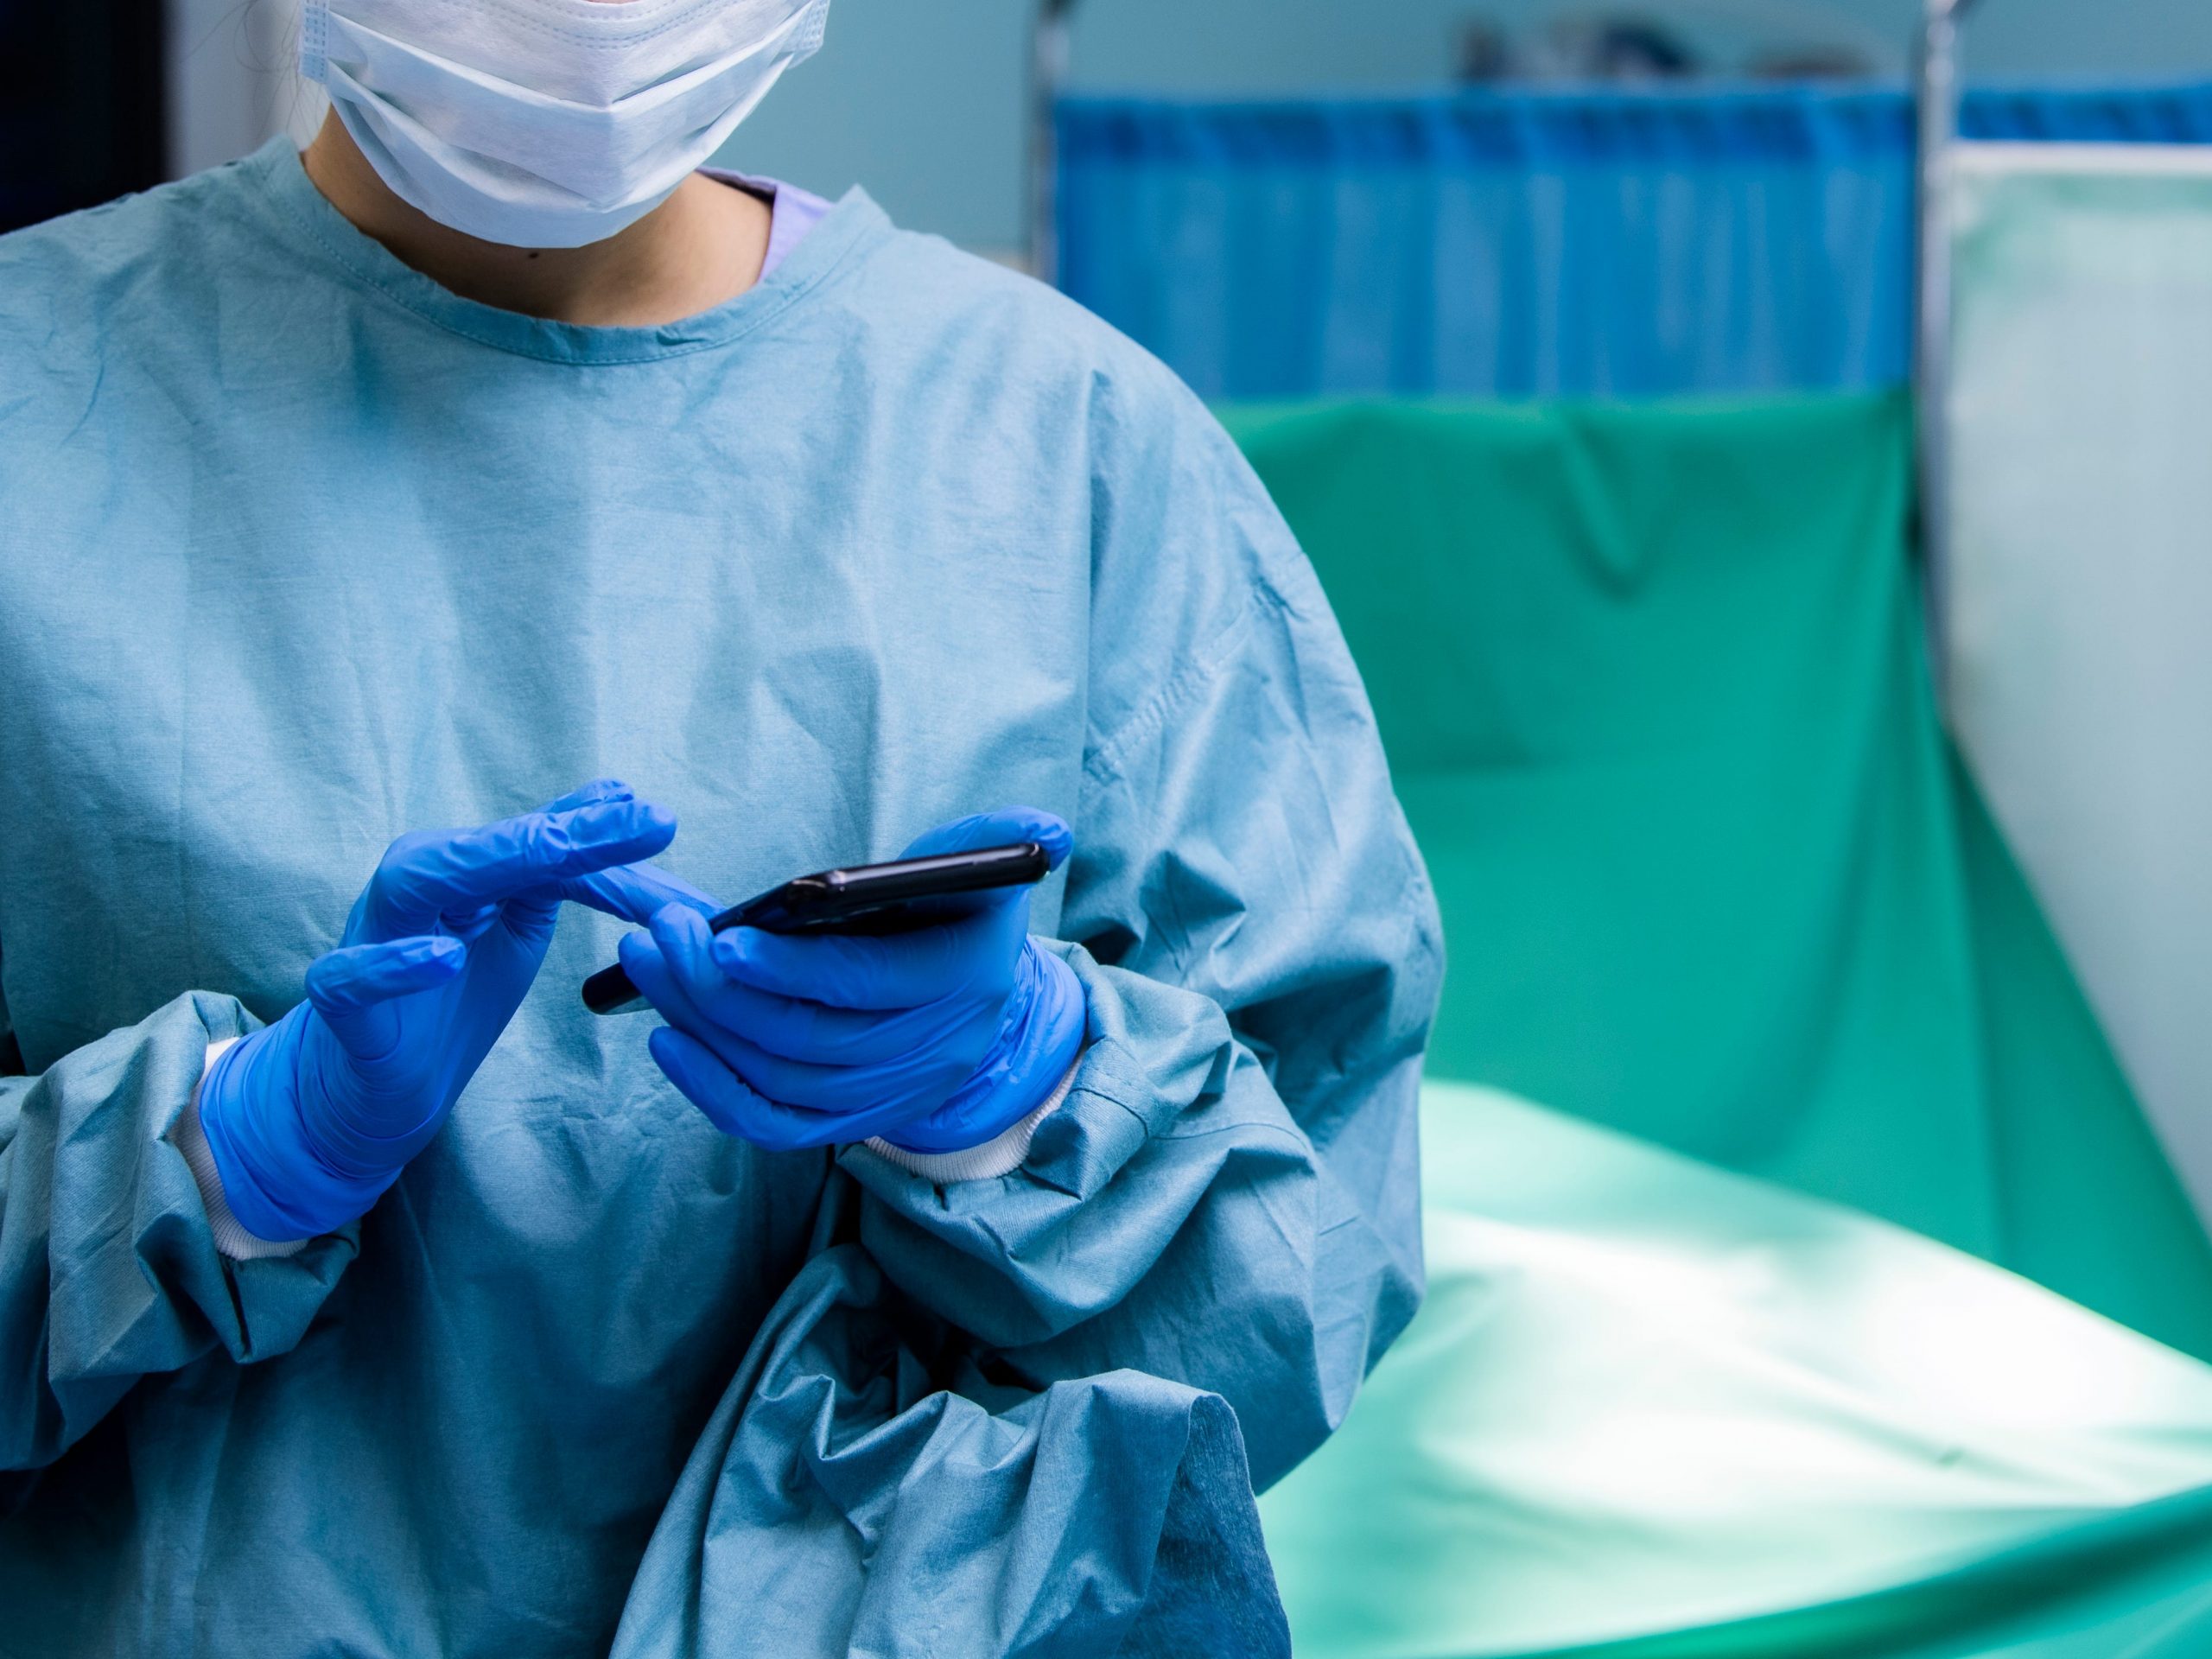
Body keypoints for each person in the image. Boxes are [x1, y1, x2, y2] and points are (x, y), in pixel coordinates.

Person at [0, 1, 1442, 1652]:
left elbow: (1298, 1278)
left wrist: (1021, 1094)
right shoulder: (34, 419)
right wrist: (215, 1158)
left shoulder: (1070, 450)